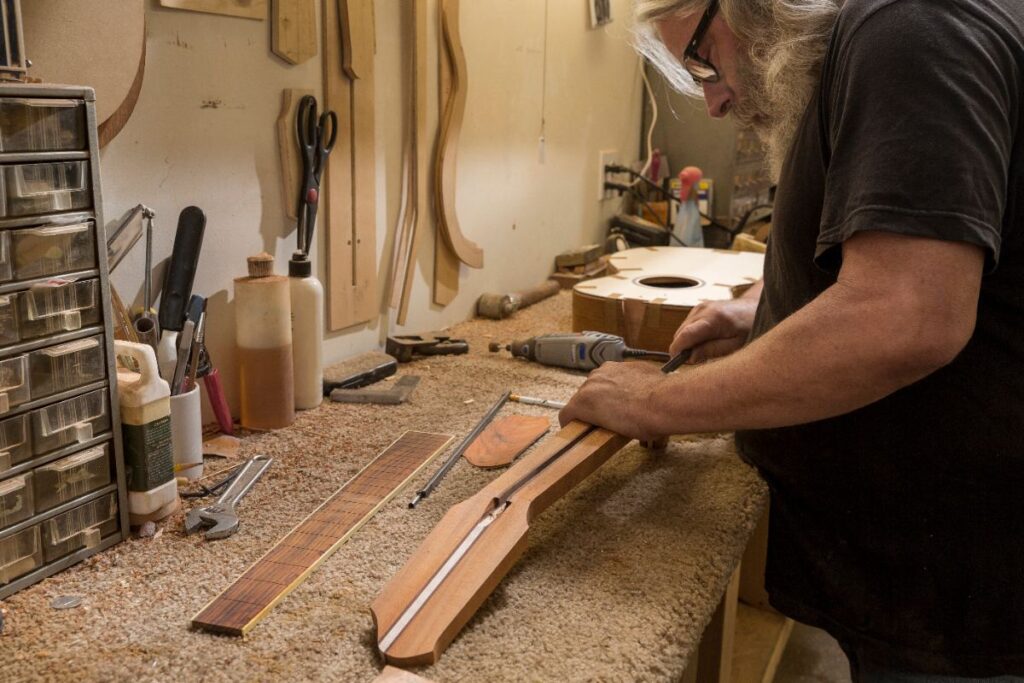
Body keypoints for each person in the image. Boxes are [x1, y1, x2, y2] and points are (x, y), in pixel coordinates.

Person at [559, 0, 1024, 679]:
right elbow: (910, 255)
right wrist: (766, 308)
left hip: (967, 600)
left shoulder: (912, 30)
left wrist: (655, 404)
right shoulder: (885, 37)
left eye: (701, 58)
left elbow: (908, 313)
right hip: (941, 580)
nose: (712, 101)